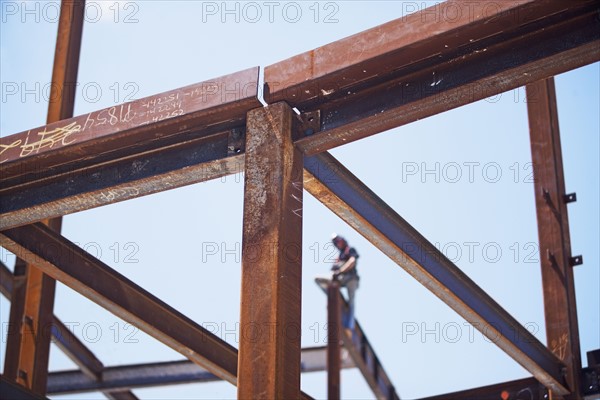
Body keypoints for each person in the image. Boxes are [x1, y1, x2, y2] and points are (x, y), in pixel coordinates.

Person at [315, 234, 359, 331]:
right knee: (318, 279)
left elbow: (352, 262)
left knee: (351, 301)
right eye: (335, 242)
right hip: (340, 279)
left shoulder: (350, 250)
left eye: (338, 241)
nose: (337, 243)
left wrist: (341, 270)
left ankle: (349, 325)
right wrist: (335, 273)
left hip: (351, 278)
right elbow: (333, 270)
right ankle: (333, 295)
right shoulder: (339, 257)